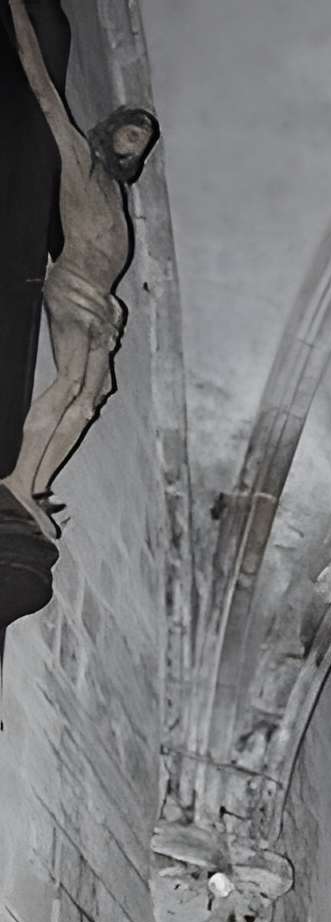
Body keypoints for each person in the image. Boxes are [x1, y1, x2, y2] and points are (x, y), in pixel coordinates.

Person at [2, 0, 158, 535]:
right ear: (110, 132)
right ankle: (17, 480)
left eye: (140, 143)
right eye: (128, 134)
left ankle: (36, 486)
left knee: (92, 399)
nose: (132, 144)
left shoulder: (116, 194)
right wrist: (20, 11)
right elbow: (43, 91)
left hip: (104, 305)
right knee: (69, 382)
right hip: (73, 284)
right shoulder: (80, 161)